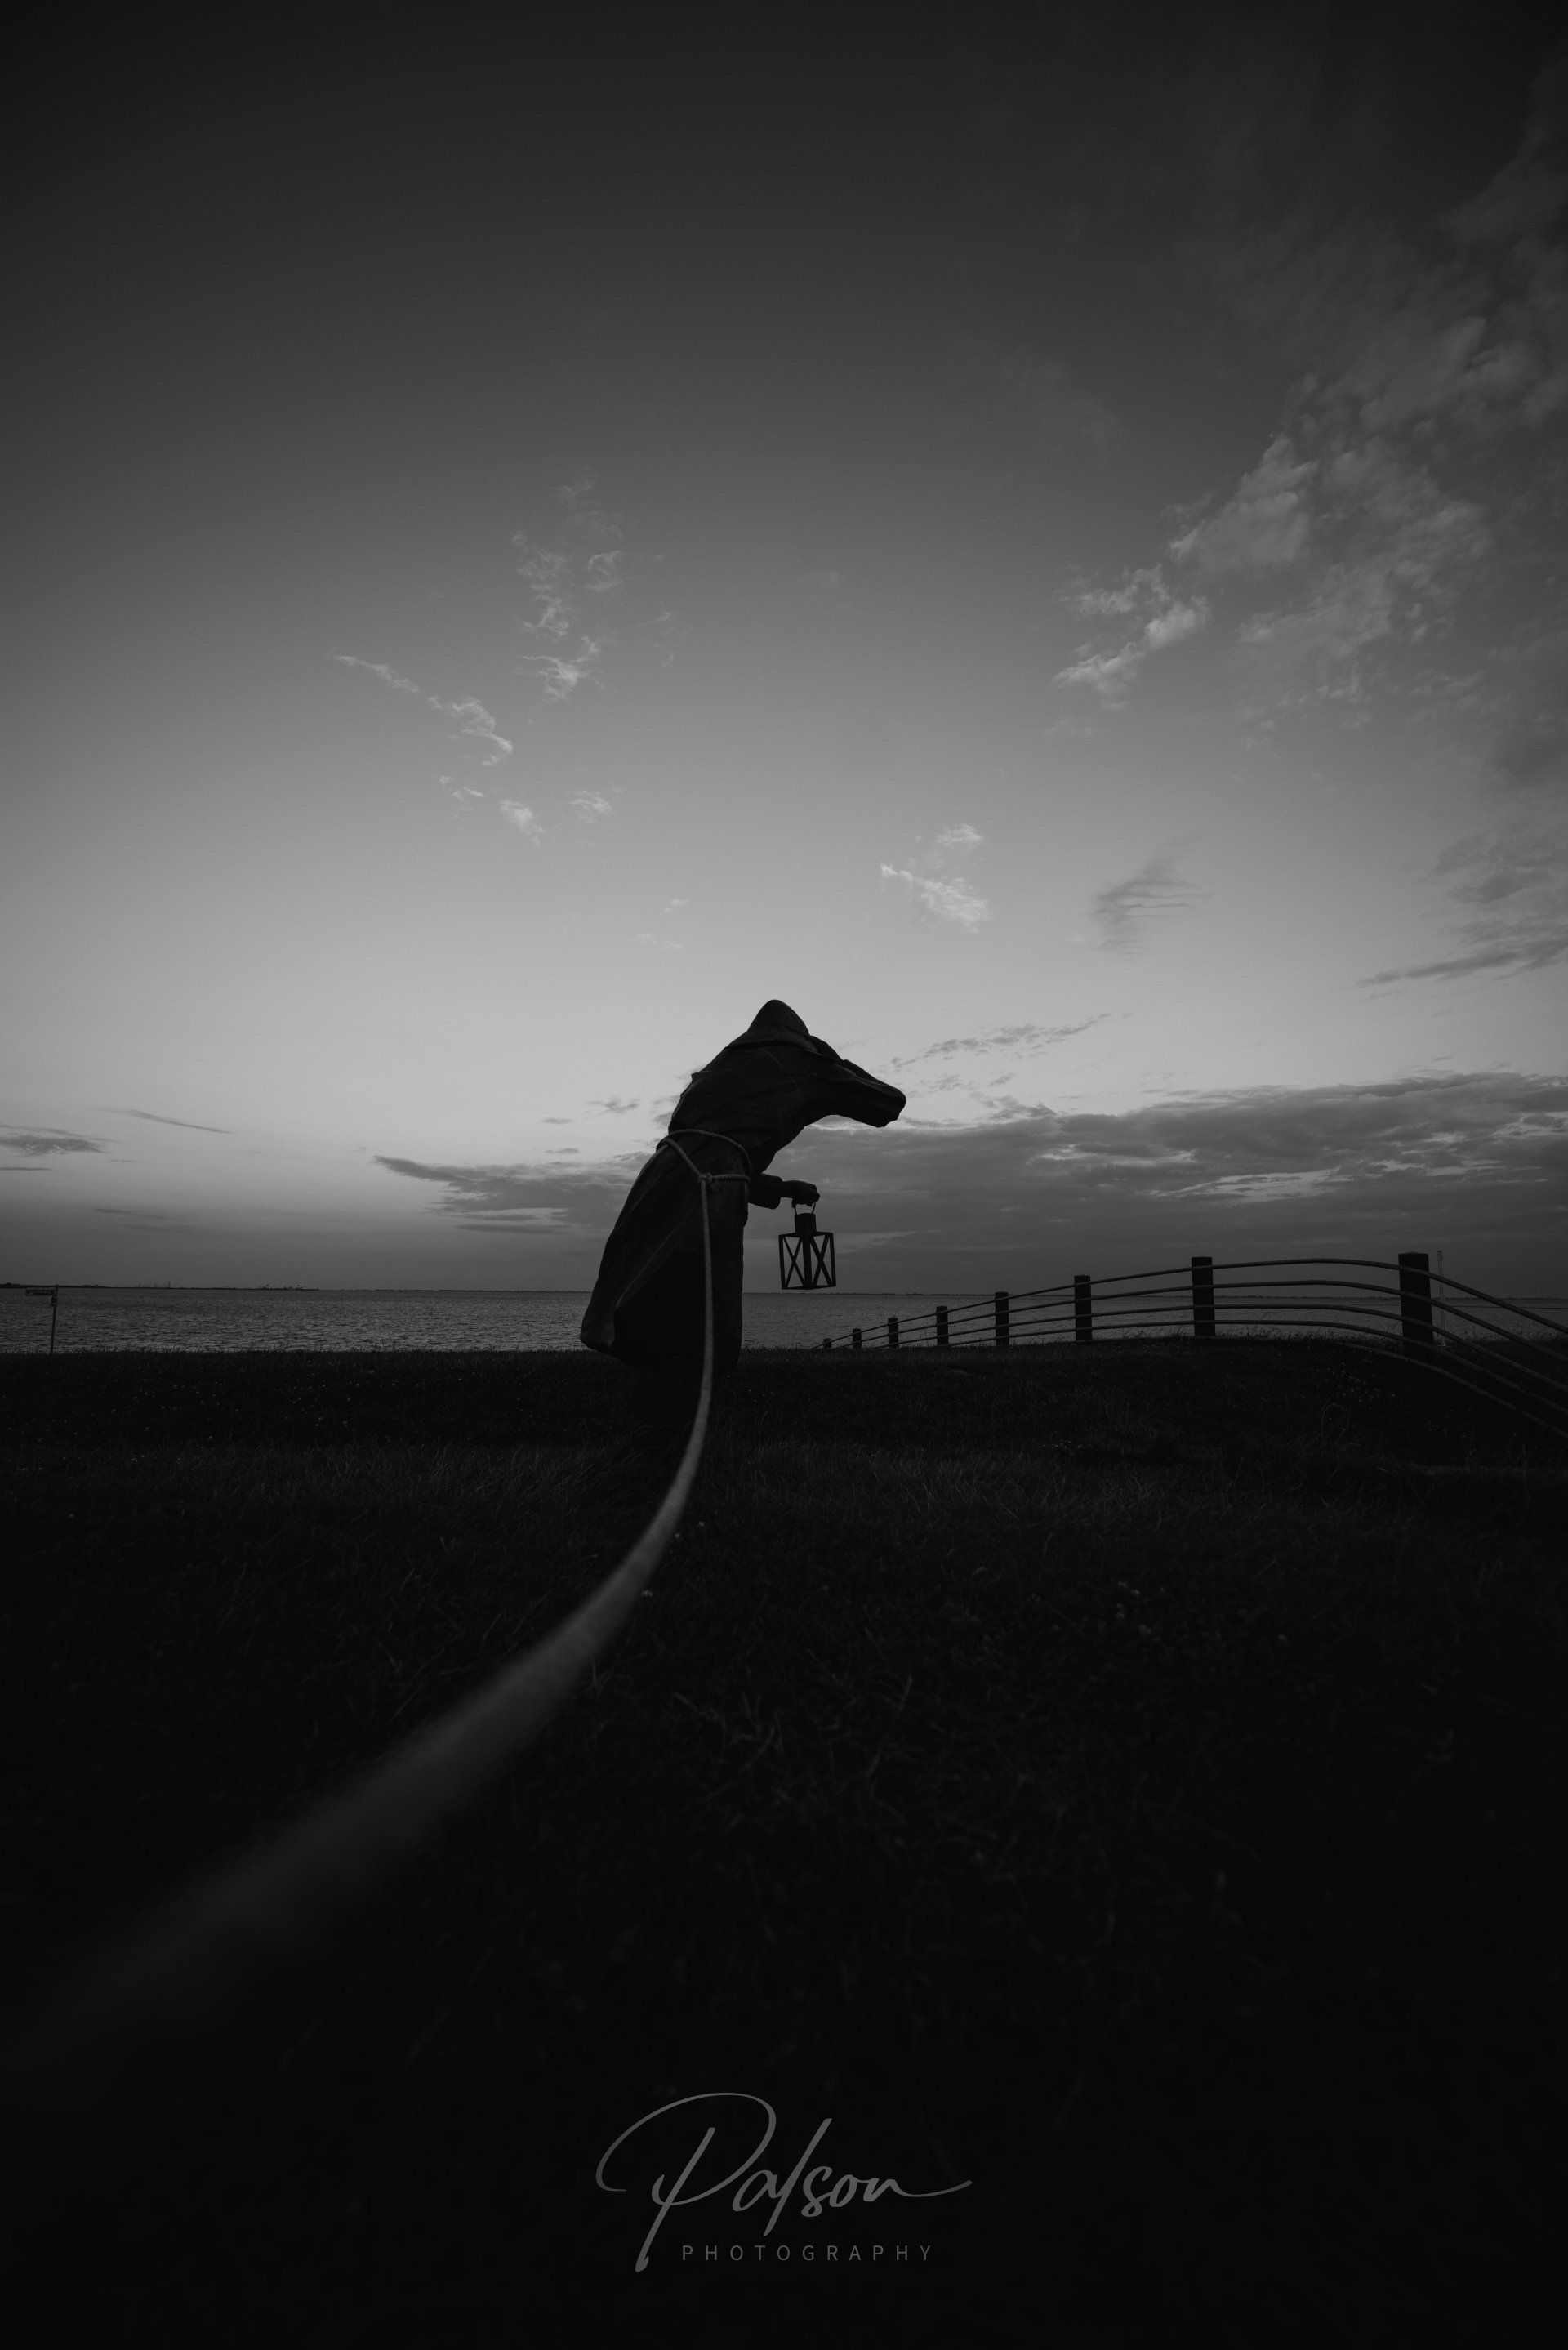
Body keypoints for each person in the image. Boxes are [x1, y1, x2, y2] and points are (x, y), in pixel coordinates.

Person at [581, 1001, 906, 1431]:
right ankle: (664, 1443)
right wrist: (828, 1055)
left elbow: (713, 1152)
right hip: (703, 1188)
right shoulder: (800, 1060)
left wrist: (780, 1188)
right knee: (693, 1318)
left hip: (662, 1179)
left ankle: (657, 1435)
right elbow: (886, 1102)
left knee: (656, 1312)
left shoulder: (719, 1068)